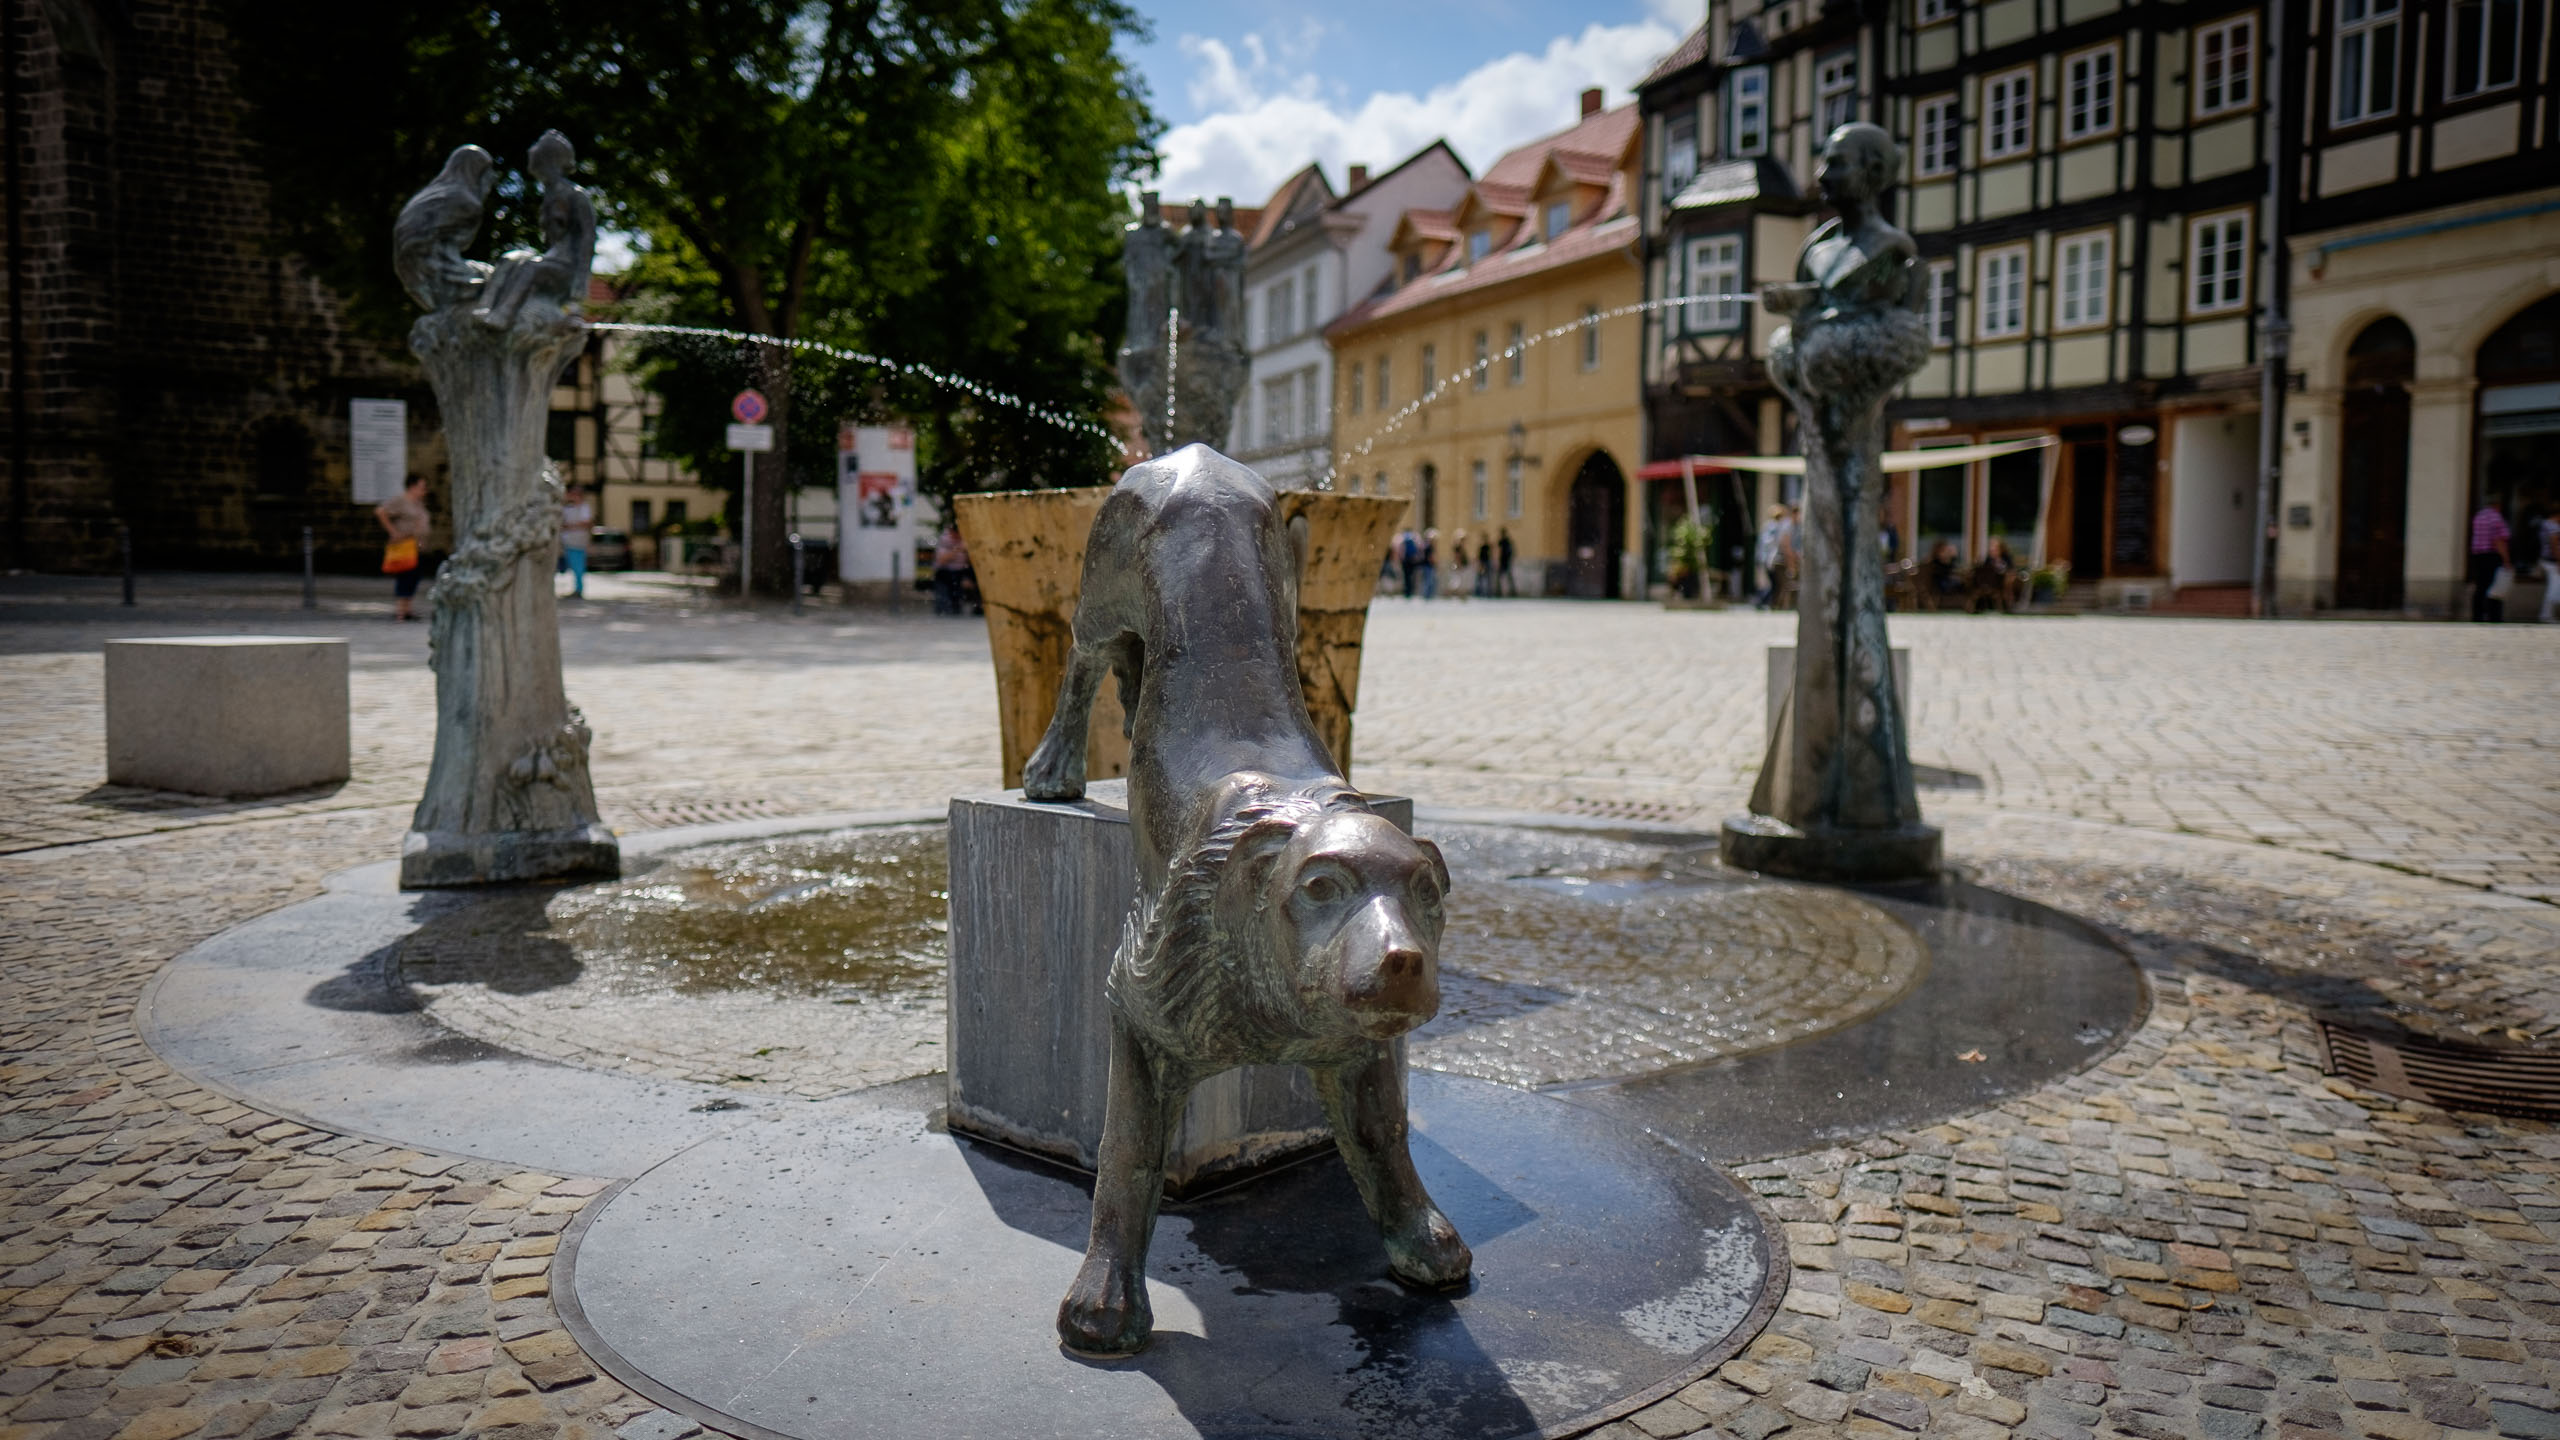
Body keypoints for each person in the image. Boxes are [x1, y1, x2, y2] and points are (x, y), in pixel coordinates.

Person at [375, 473, 432, 621]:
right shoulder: (401, 500)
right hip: (405, 545)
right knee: (405, 576)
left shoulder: (418, 503)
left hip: (417, 546)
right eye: (422, 487)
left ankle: (407, 609)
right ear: (412, 487)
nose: (424, 491)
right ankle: (401, 611)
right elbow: (381, 511)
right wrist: (393, 532)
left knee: (414, 576)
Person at [2470, 498, 2511, 623]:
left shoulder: (2479, 516)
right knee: (2495, 587)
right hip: (2491, 556)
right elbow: (2498, 540)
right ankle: (2494, 616)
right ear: (2497, 505)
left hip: (2478, 555)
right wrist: (2506, 560)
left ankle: (2478, 615)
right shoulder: (2496, 518)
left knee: (2481, 586)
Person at [559, 484, 594, 599]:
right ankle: (576, 588)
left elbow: (586, 523)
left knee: (578, 566)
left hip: (578, 541)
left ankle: (579, 589)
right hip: (568, 541)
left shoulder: (584, 508)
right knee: (573, 566)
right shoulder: (568, 508)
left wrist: (569, 526)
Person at [1754, 504, 1787, 609]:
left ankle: (1768, 602)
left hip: (1766, 558)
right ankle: (1763, 602)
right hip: (1770, 559)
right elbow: (1770, 543)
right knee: (1775, 583)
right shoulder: (1774, 527)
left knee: (1774, 583)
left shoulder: (1768, 526)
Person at [932, 525, 971, 616]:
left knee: (956, 600)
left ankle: (955, 611)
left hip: (960, 573)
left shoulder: (964, 540)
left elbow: (968, 561)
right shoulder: (945, 541)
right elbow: (941, 560)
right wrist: (957, 549)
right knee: (944, 602)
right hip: (945, 573)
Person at [2539, 509, 2560, 623]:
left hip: (2547, 559)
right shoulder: (2553, 526)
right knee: (2553, 589)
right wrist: (2558, 561)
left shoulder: (2545, 524)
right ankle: (2546, 615)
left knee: (2552, 588)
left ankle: (2547, 614)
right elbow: (2554, 543)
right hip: (2552, 561)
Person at [1398, 528, 1421, 599]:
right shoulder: (1413, 538)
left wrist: (1401, 559)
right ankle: (1410, 592)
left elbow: (1401, 550)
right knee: (1411, 577)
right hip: (1411, 561)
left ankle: (1407, 592)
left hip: (1405, 561)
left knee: (1406, 577)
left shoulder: (1404, 538)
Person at [1419, 528, 1440, 600]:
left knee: (1428, 581)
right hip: (1428, 566)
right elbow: (1430, 558)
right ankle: (1427, 596)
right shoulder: (1429, 547)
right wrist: (1435, 563)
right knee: (1428, 581)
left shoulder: (1426, 546)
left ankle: (1428, 596)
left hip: (1426, 566)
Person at [1496, 529, 1515, 596]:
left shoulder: (1501, 541)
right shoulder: (1508, 541)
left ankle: (1501, 592)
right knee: (1508, 577)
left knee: (1501, 577)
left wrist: (1498, 561)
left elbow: (1499, 551)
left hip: (1503, 561)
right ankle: (1512, 592)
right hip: (1507, 561)